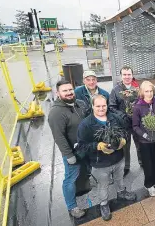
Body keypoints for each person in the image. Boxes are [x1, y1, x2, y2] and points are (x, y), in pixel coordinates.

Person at [76, 95, 136, 221]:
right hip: (100, 164)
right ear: (92, 106)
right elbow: (81, 146)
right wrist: (97, 146)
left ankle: (121, 192)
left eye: (104, 105)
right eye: (98, 106)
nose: (101, 108)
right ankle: (103, 204)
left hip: (118, 158)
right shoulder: (86, 124)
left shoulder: (114, 118)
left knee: (120, 179)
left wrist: (123, 139)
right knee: (103, 185)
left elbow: (125, 130)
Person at [48, 80, 88, 219]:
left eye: (70, 89)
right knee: (70, 179)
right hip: (72, 152)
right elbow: (59, 137)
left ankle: (83, 187)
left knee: (85, 171)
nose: (69, 93)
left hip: (85, 148)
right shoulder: (56, 113)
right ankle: (72, 207)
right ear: (58, 93)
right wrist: (68, 155)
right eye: (65, 91)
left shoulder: (80, 104)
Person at [132, 81, 155, 197]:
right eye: (147, 91)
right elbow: (135, 126)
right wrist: (145, 135)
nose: (149, 93)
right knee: (148, 164)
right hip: (145, 142)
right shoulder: (137, 107)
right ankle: (149, 184)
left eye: (151, 91)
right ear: (142, 92)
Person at [109, 66, 141, 175]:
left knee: (139, 144)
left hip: (136, 122)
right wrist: (123, 115)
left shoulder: (137, 89)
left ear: (132, 75)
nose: (127, 77)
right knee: (125, 147)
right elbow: (112, 107)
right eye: (124, 74)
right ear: (121, 75)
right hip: (123, 123)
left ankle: (142, 162)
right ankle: (126, 167)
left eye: (129, 74)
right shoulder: (116, 90)